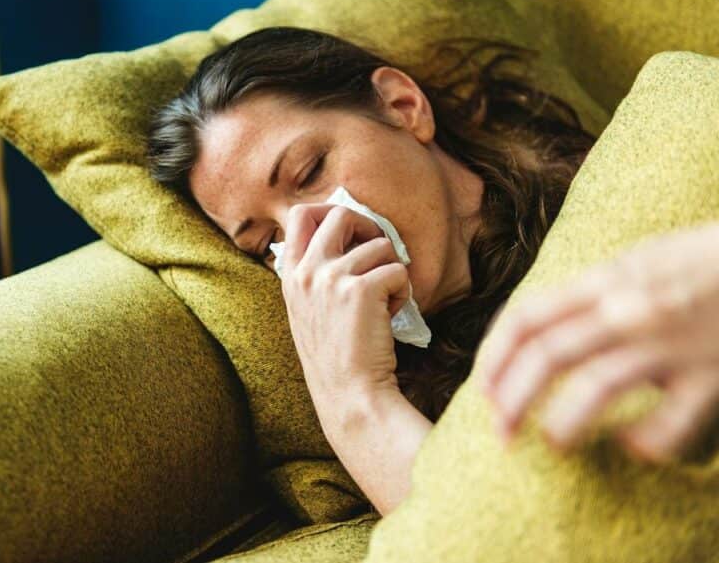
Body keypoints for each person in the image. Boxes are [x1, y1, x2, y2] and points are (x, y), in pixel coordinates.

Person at [144, 26, 719, 514]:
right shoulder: (420, 407)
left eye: (311, 169)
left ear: (402, 107)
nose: (311, 237)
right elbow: (481, 538)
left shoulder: (636, 176)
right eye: (268, 242)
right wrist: (352, 397)